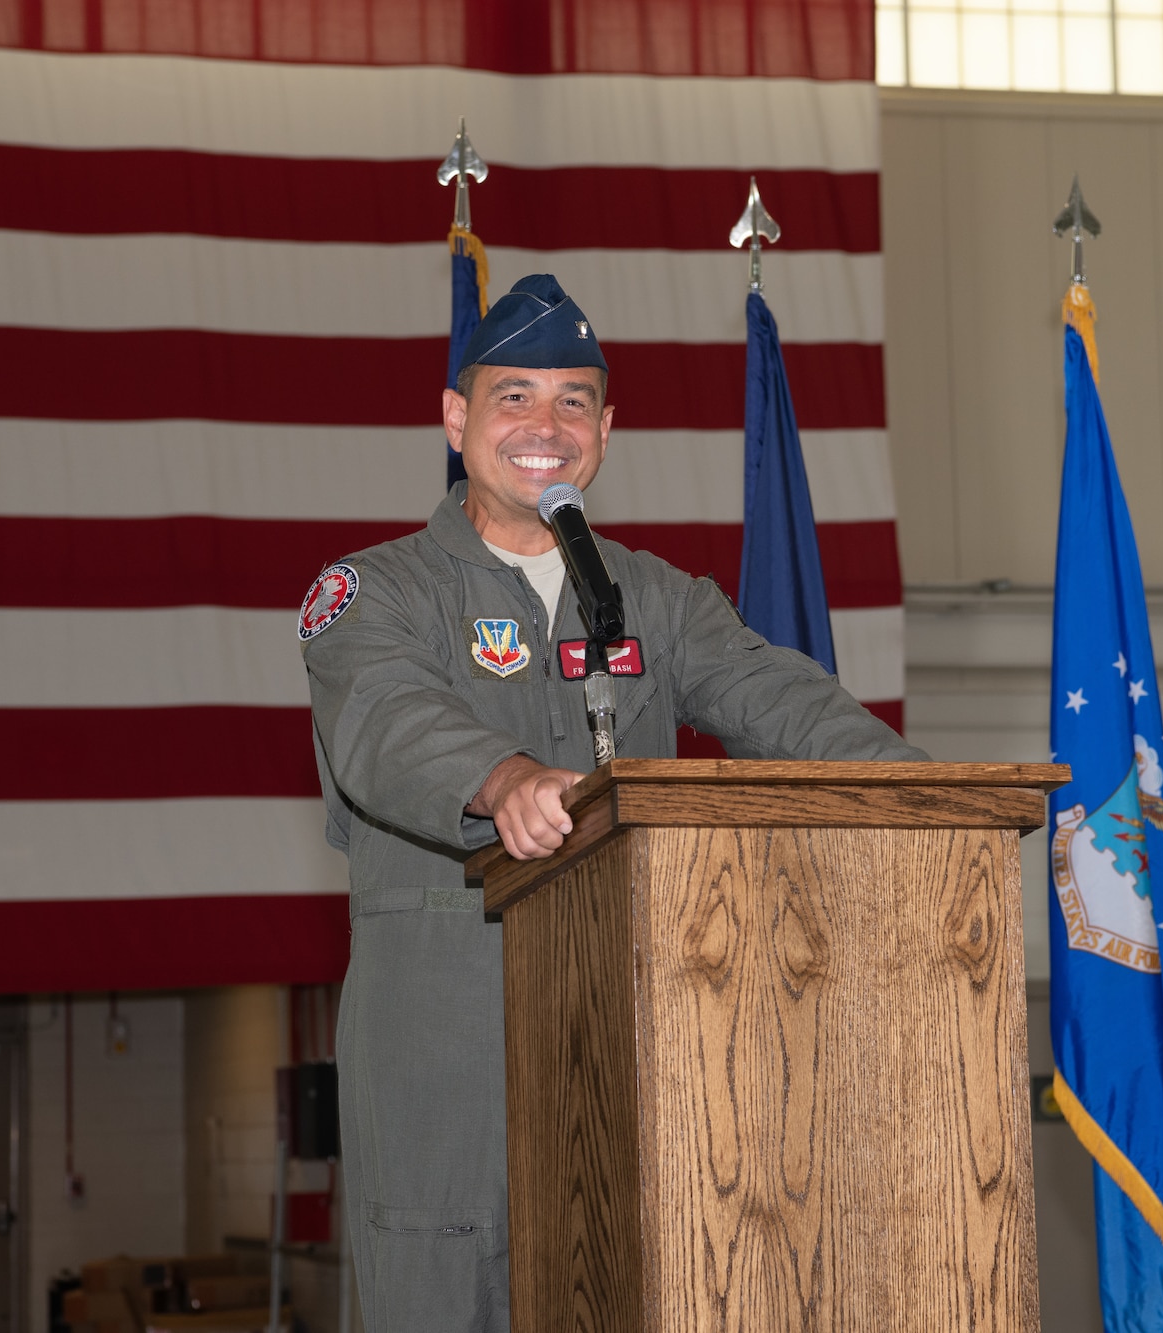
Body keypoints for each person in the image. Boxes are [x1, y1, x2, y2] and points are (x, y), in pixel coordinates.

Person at [299, 273, 927, 1332]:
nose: (544, 427)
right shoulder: (378, 592)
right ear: (456, 420)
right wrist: (503, 781)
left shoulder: (655, 598)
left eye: (573, 402)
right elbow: (384, 717)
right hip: (446, 1048)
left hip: (644, 1035)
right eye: (512, 398)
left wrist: (920, 795)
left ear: (605, 428)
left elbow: (782, 701)